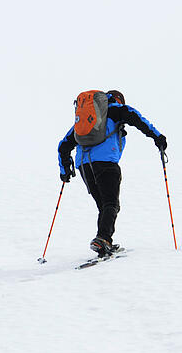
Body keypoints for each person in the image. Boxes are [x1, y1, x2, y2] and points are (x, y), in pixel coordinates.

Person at [56, 90, 167, 256]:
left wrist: (65, 170)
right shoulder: (117, 110)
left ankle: (104, 241)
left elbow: (63, 145)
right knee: (111, 204)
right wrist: (158, 138)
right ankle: (103, 239)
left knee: (104, 206)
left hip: (84, 166)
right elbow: (139, 120)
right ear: (118, 100)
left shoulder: (88, 120)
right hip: (106, 163)